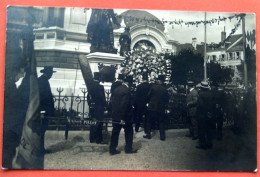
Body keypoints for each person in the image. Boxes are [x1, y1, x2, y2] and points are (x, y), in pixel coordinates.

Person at [110, 76, 137, 155]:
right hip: (125, 116)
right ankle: (128, 149)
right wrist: (122, 118)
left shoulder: (117, 89)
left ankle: (112, 149)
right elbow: (124, 105)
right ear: (129, 83)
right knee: (129, 131)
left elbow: (113, 102)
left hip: (115, 114)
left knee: (115, 132)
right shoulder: (126, 91)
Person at [143, 75, 169, 141]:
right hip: (161, 107)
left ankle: (148, 134)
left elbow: (148, 96)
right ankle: (162, 136)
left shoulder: (153, 87)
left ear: (158, 81)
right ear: (162, 81)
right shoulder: (164, 89)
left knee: (149, 121)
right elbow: (167, 99)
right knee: (161, 122)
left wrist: (149, 102)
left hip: (152, 107)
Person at [38, 66, 56, 152]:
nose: (51, 75)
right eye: (51, 73)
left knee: (42, 129)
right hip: (42, 110)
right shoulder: (42, 81)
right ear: (48, 73)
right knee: (41, 129)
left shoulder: (43, 80)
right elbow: (41, 97)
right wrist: (42, 110)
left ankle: (41, 148)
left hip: (43, 109)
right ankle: (40, 149)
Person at [87, 72, 107, 144]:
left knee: (92, 122)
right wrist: (105, 106)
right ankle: (99, 139)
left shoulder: (90, 86)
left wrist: (90, 104)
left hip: (92, 107)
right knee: (99, 123)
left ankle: (92, 138)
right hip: (99, 108)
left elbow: (88, 97)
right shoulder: (100, 87)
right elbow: (102, 97)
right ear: (99, 78)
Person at [196, 81, 214, 149]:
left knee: (201, 130)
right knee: (208, 130)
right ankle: (209, 144)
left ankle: (202, 144)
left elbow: (201, 105)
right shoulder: (211, 94)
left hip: (202, 114)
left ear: (201, 87)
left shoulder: (200, 94)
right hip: (209, 114)